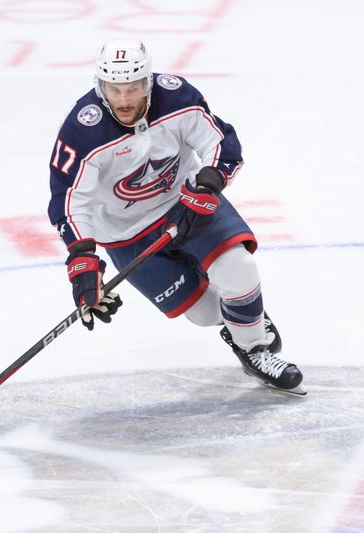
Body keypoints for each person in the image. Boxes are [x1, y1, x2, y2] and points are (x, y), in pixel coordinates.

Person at [47, 38, 305, 395]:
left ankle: (254, 348)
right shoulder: (82, 131)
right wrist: (82, 260)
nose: (124, 100)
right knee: (202, 313)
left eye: (134, 88)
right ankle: (243, 320)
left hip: (186, 203)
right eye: (115, 89)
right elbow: (68, 202)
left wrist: (209, 184)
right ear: (100, 86)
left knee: (238, 270)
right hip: (126, 233)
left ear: (148, 82)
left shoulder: (177, 98)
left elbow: (221, 143)